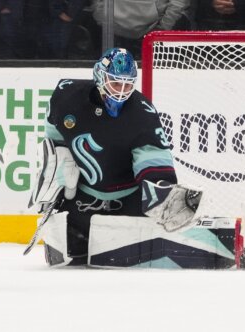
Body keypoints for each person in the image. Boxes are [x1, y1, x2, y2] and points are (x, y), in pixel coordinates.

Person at [39, 47, 181, 265]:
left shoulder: (142, 113)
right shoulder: (66, 96)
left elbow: (153, 160)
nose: (121, 91)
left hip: (128, 198)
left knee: (129, 261)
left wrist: (162, 191)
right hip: (82, 197)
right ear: (99, 76)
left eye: (127, 84)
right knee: (68, 259)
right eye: (116, 83)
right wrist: (58, 169)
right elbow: (53, 137)